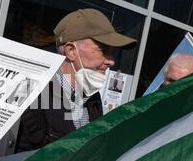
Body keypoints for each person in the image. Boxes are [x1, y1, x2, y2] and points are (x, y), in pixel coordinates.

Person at [14, 9, 137, 152]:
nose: (111, 61)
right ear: (71, 51)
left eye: (112, 53)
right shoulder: (30, 96)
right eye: (103, 50)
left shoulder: (93, 99)